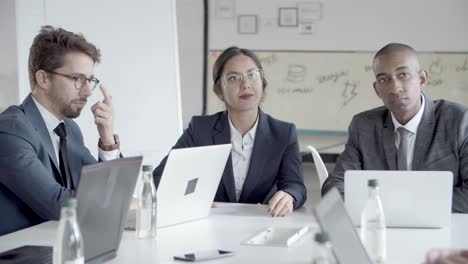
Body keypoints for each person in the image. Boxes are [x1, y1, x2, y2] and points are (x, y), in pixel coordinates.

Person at [153, 46, 306, 217]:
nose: (245, 84)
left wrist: (289, 196)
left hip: (262, 224)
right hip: (211, 225)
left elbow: (296, 185)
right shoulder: (201, 129)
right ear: (219, 91)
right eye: (233, 78)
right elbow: (160, 177)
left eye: (252, 75)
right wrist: (191, 198)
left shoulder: (283, 133)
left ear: (262, 83)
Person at [0, 26, 120, 236]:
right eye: (78, 79)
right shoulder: (10, 130)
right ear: (43, 78)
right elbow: (58, 204)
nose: (87, 91)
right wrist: (123, 203)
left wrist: (107, 140)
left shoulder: (69, 130)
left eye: (90, 80)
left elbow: (103, 191)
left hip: (60, 245)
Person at [321, 43, 468, 213]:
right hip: (384, 228)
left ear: (422, 79)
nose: (395, 87)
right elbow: (334, 186)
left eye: (403, 75)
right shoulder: (364, 126)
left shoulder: (458, 121)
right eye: (384, 79)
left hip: (444, 230)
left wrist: (403, 204)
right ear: (377, 89)